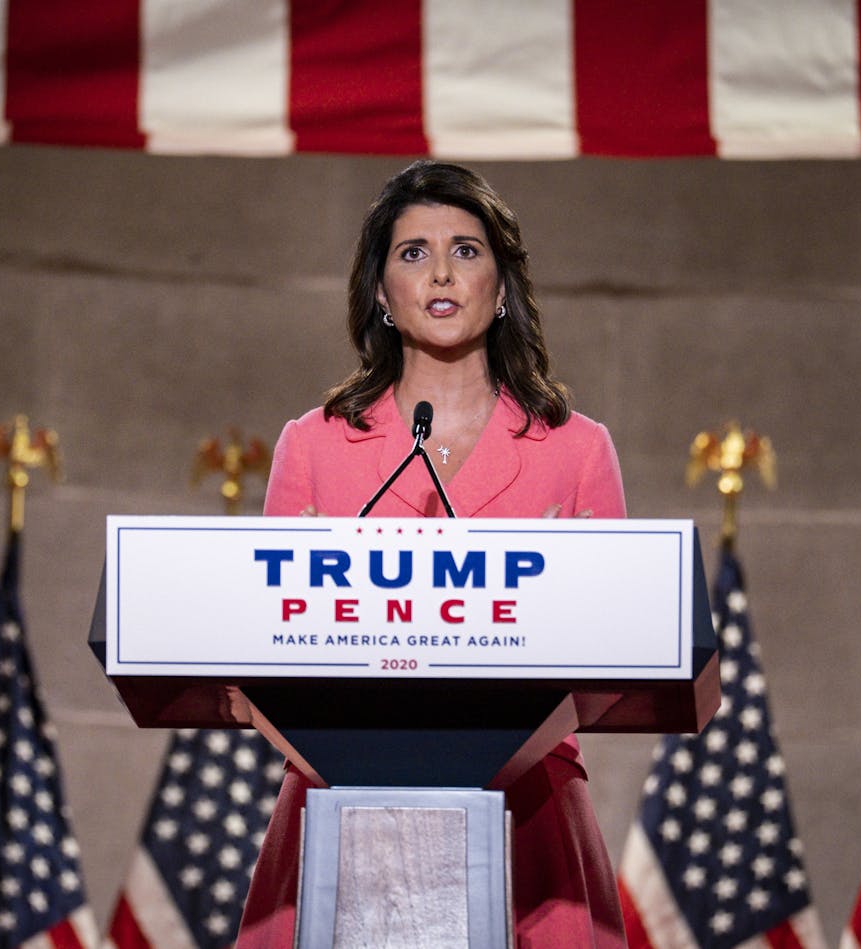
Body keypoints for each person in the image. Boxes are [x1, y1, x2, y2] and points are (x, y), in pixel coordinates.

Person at [235, 159, 629, 948]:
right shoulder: (313, 445)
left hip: (530, 811)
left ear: (503, 283)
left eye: (467, 249)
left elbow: (620, 656)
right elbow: (257, 658)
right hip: (340, 804)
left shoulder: (575, 450)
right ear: (380, 291)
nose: (442, 270)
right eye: (413, 252)